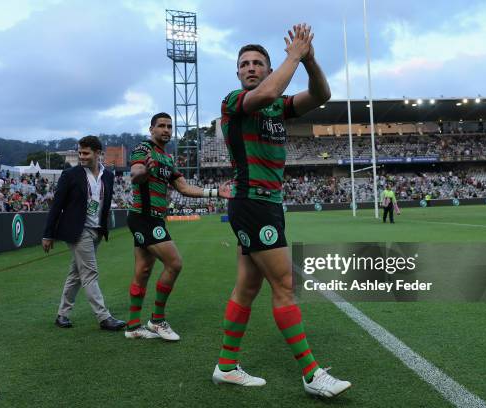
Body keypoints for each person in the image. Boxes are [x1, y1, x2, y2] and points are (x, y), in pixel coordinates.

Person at [212, 24, 351, 398]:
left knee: (248, 286)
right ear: (238, 72)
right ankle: (311, 374)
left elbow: (322, 94)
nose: (251, 68)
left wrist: (309, 58)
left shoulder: (277, 106)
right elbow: (271, 88)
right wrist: (292, 56)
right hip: (252, 202)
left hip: (267, 204)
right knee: (285, 285)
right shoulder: (233, 102)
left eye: (258, 63)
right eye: (245, 64)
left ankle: (226, 366)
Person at [125, 112, 231, 340]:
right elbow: (136, 173)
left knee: (143, 271)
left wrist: (215, 192)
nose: (166, 130)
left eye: (169, 127)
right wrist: (142, 171)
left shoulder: (167, 158)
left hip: (153, 218)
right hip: (144, 217)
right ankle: (157, 320)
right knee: (174, 263)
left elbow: (183, 187)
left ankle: (133, 326)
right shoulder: (143, 149)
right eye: (161, 126)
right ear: (151, 129)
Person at [42, 136, 125, 331]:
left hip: (96, 230)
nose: (81, 157)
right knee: (90, 273)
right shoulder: (70, 174)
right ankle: (104, 317)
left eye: (85, 153)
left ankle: (62, 314)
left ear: (98, 154)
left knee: (76, 274)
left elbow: (103, 205)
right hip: (78, 231)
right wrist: (48, 234)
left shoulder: (109, 176)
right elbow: (57, 206)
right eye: (80, 153)